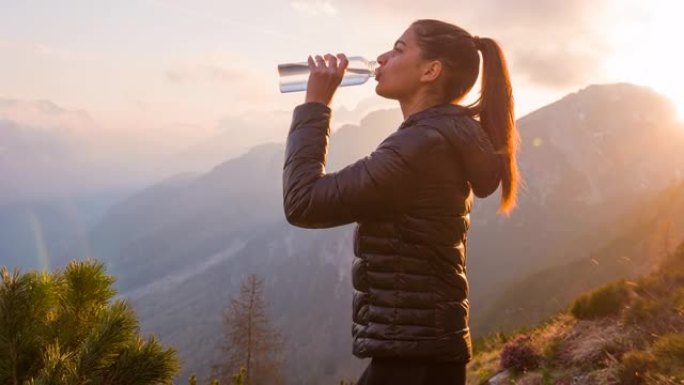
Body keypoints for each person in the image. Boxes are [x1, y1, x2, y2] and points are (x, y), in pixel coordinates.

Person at [282, 19, 520, 385]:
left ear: (430, 70)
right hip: (427, 351)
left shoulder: (420, 146)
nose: (381, 58)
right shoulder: (437, 139)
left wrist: (315, 105)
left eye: (397, 49)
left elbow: (304, 202)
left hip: (410, 360)